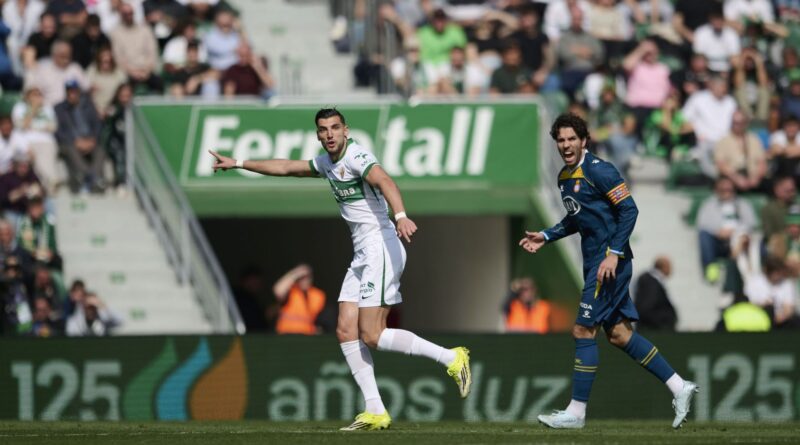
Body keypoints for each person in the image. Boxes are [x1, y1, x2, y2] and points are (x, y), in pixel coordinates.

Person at [209, 108, 471, 431]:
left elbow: (384, 179)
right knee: (346, 330)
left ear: (346, 130)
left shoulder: (357, 156)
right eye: (323, 129)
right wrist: (237, 163)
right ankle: (375, 409)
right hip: (362, 254)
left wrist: (401, 214)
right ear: (318, 135)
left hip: (382, 247)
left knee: (372, 335)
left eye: (335, 127)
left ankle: (451, 357)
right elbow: (287, 167)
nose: (329, 134)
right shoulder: (325, 162)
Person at [519, 113, 697, 430]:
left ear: (584, 140)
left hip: (609, 265)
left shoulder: (599, 171)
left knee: (582, 331)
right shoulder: (564, 177)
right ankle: (678, 386)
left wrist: (613, 254)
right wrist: (546, 236)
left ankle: (576, 413)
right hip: (595, 262)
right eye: (561, 140)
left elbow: (629, 209)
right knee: (618, 335)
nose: (566, 144)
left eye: (572, 138)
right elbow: (577, 219)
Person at [272, 264, 325, 335]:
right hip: (285, 334)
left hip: (306, 335)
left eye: (307, 277)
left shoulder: (317, 295)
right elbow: (278, 291)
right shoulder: (290, 292)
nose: (304, 280)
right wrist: (295, 273)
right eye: (301, 278)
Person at [633, 256, 678, 331]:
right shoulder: (650, 282)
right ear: (664, 267)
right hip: (652, 331)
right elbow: (646, 308)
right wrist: (664, 322)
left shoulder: (650, 280)